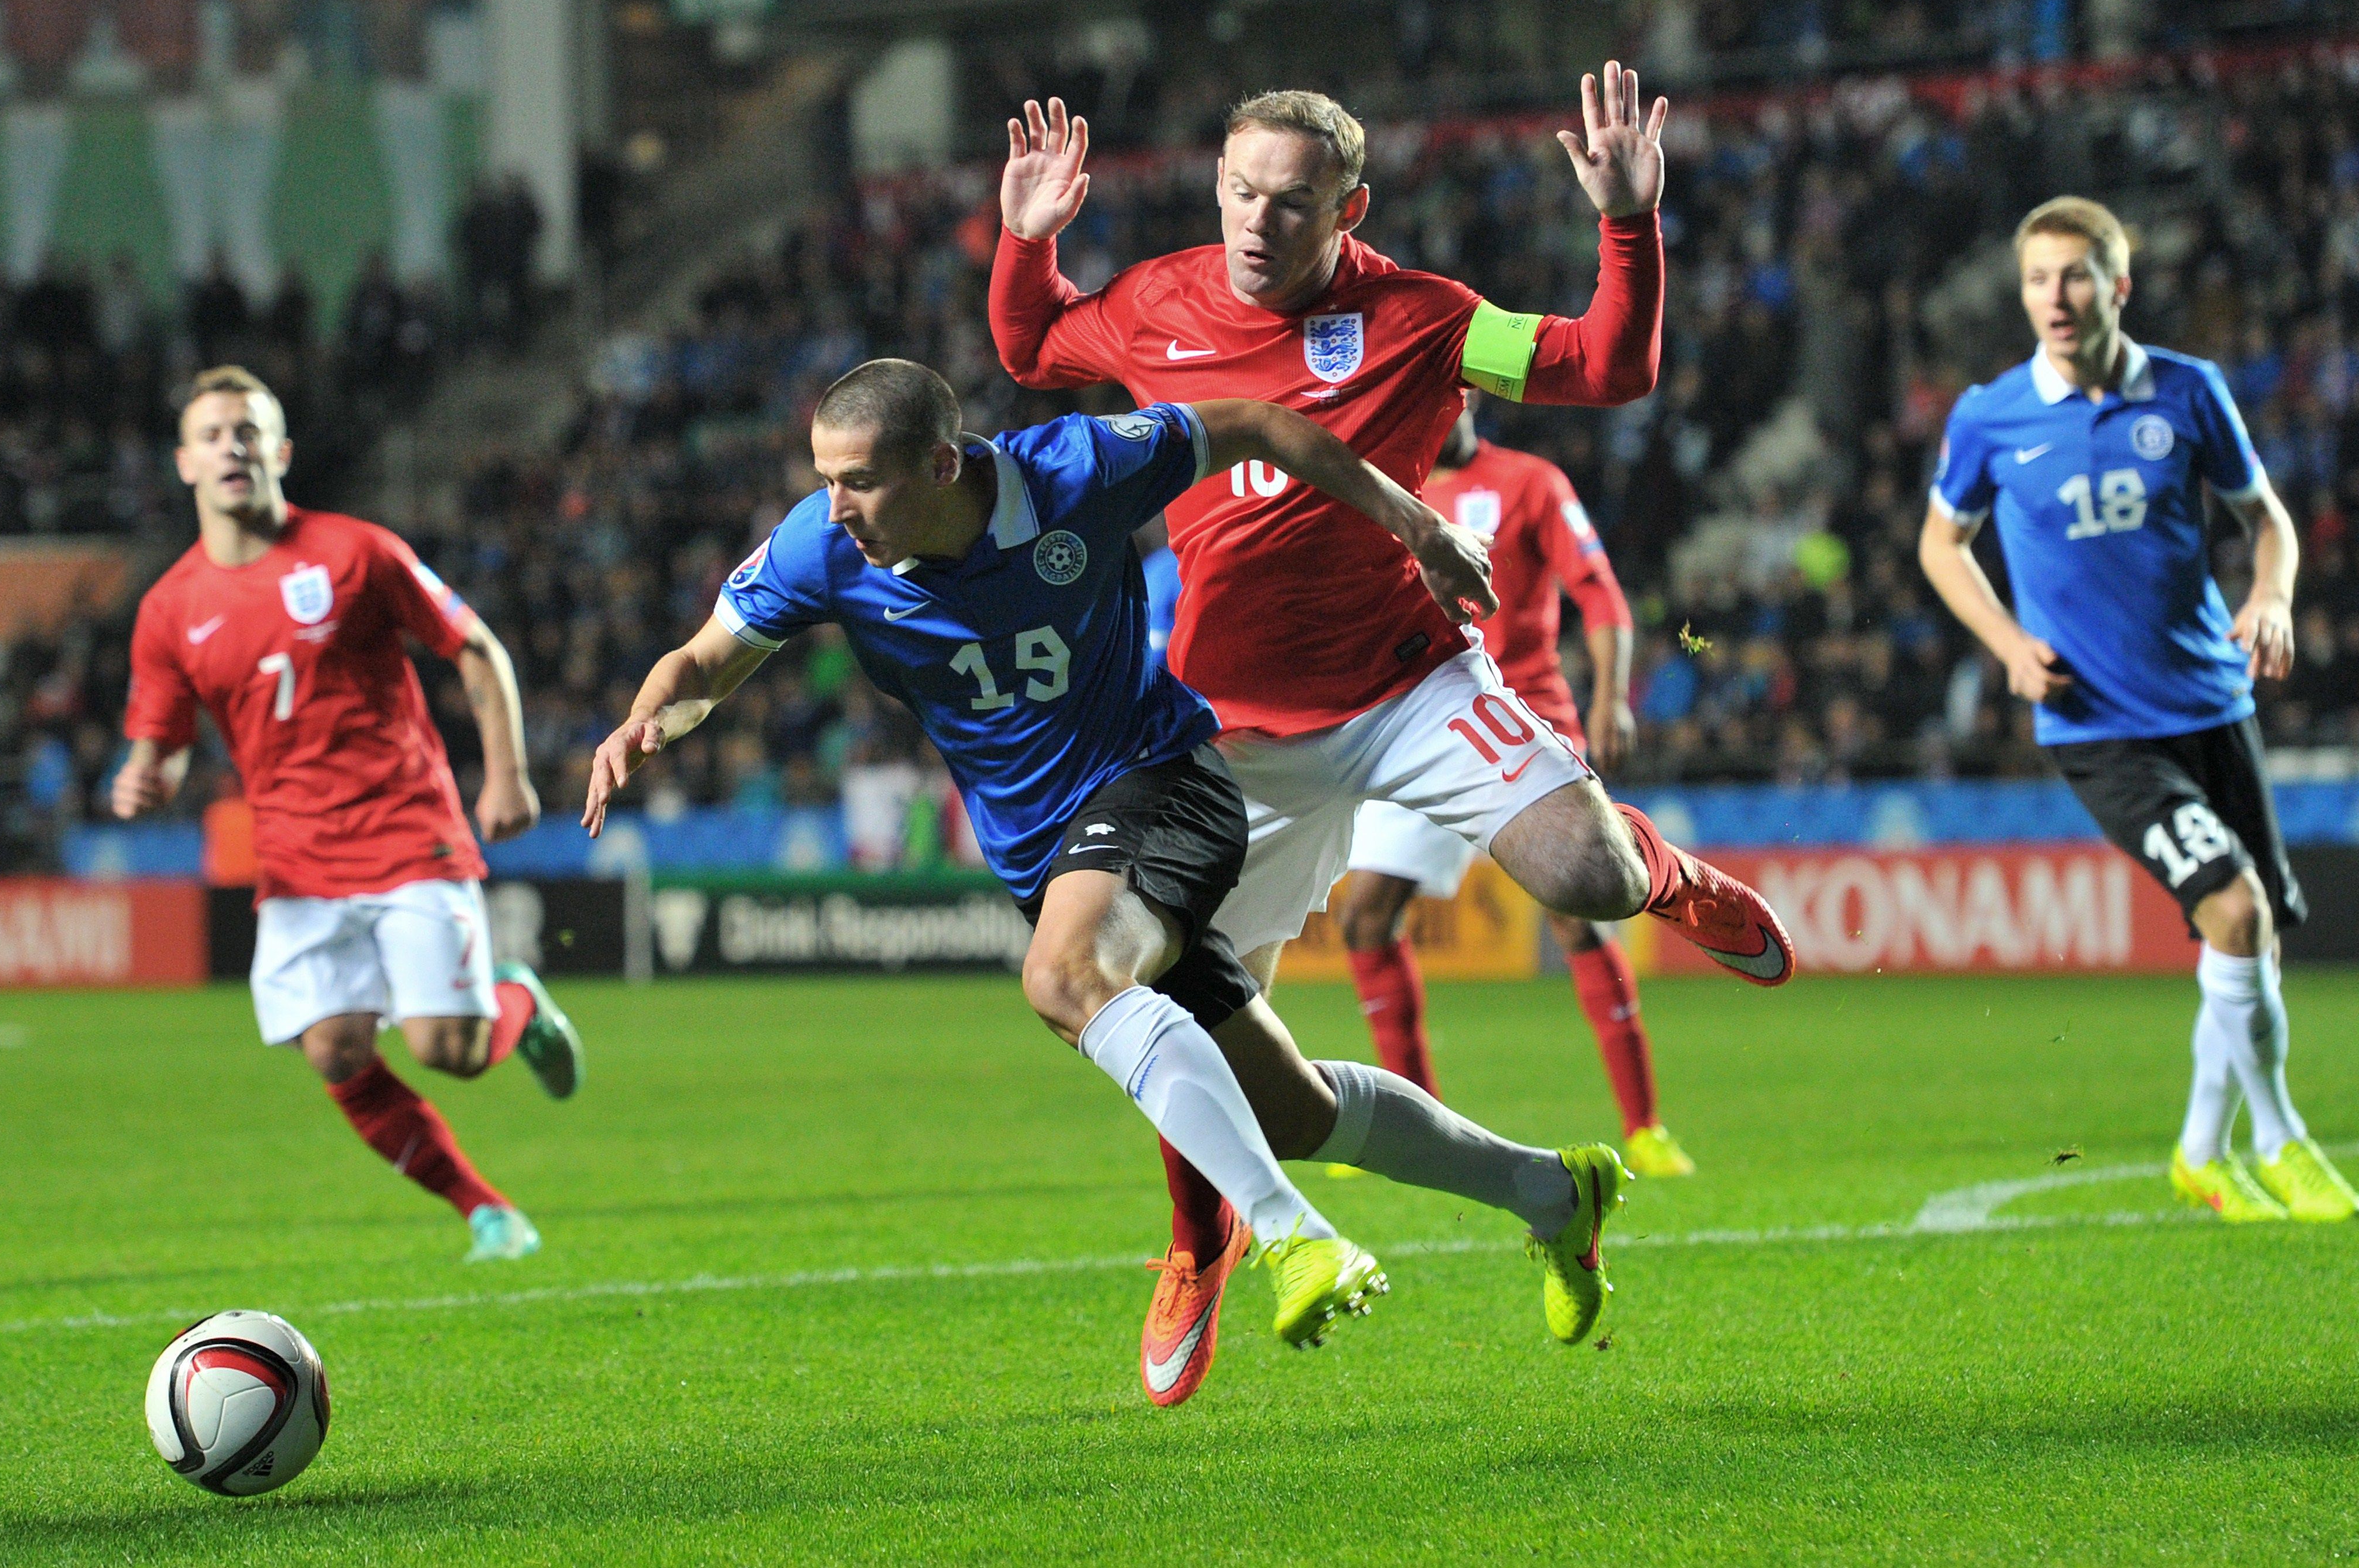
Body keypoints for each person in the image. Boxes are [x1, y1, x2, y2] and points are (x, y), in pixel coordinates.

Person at [583, 359, 1630, 1401]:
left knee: (1064, 978)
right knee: (1292, 1113)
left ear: (944, 466)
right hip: (1049, 856)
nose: (836, 507)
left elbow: (1264, 425)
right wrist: (650, 718)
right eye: (824, 479)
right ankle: (1551, 1191)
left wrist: (1416, 526)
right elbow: (705, 660)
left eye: (859, 480)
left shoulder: (1081, 467)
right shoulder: (824, 546)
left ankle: (1288, 1238)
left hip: (1164, 786)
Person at [987, 68, 1794, 1404]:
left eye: (1289, 202)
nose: (1255, 221)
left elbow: (1608, 365)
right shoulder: (1155, 305)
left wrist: (1627, 224)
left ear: (1345, 207)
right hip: (1228, 738)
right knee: (1173, 1000)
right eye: (1238, 192)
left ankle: (1666, 872)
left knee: (1586, 879)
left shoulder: (1420, 317)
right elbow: (1030, 346)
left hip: (1406, 682)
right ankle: (1202, 1239)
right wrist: (1025, 237)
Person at [1917, 196, 2359, 1226]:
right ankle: (2282, 1139)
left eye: (2074, 276)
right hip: (2100, 724)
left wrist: (2273, 593)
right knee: (2236, 910)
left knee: (2247, 942)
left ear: (2118, 287)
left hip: (2212, 700)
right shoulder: (1991, 415)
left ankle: (2202, 1155)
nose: (2054, 298)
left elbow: (2267, 520)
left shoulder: (2191, 393)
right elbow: (1942, 545)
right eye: (2037, 279)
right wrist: (2008, 648)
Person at [113, 365, 582, 1263]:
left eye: (248, 431)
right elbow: (163, 736)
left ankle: (517, 998)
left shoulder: (356, 552)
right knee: (334, 1053)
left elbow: (473, 647)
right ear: (184, 464)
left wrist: (508, 774)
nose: (232, 448)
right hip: (294, 862)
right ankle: (486, 1211)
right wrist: (148, 775)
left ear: (280, 451)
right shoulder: (169, 609)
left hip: (408, 832)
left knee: (451, 1048)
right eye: (212, 435)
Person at [1329, 393, 1692, 1179]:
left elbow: (1599, 592)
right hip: (1423, 717)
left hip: (1522, 716)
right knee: (1363, 917)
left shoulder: (1531, 481)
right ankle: (1409, 1125)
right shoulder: (1390, 487)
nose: (1432, 411)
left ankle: (1645, 1126)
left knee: (1573, 919)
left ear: (1470, 399)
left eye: (1446, 394)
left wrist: (1606, 698)